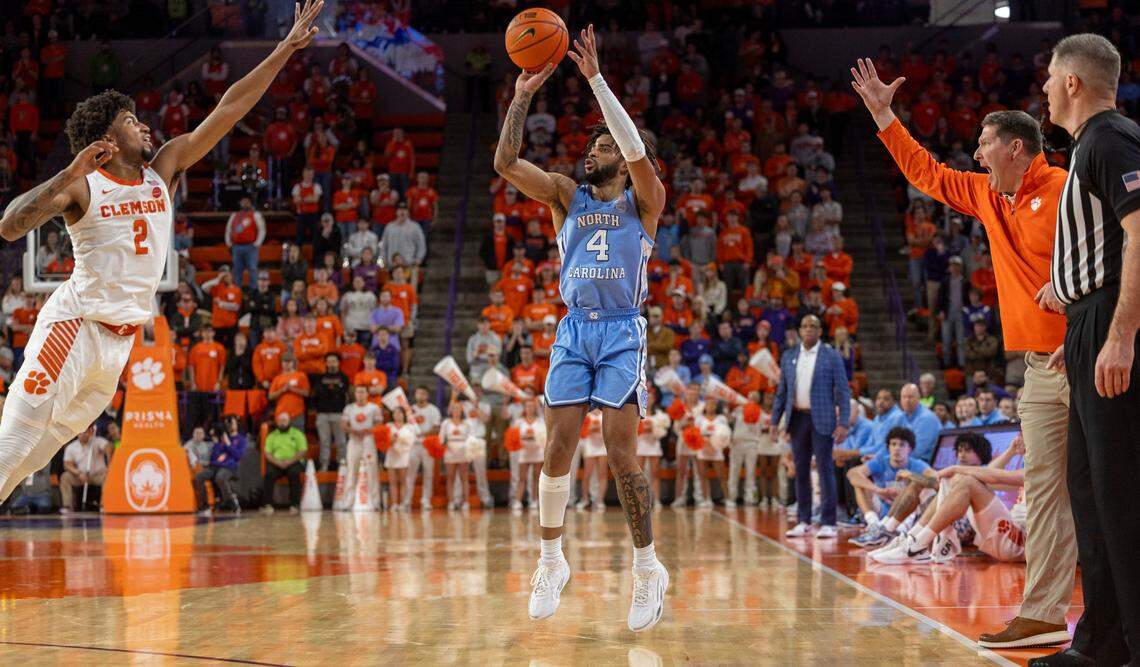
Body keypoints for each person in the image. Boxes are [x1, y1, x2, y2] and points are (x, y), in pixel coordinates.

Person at [0, 2, 324, 505]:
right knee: (11, 448)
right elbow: (10, 224)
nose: (145, 126)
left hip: (117, 347)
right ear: (108, 139)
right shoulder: (83, 187)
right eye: (132, 121)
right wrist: (66, 173)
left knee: (30, 460)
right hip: (75, 327)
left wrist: (283, 49)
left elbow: (230, 110)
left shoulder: (165, 166)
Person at [852, 55, 1075, 651]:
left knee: (1104, 486)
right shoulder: (989, 195)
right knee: (1049, 493)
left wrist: (1085, 330)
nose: (976, 155)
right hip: (1037, 366)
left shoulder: (1065, 193)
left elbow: (1106, 266)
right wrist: (883, 116)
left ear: (1019, 149)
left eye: (986, 144)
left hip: (1085, 355)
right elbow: (925, 173)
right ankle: (1046, 612)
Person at [494, 25, 669, 630]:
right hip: (574, 328)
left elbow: (637, 155)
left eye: (599, 148)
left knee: (622, 454)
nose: (587, 154)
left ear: (619, 157)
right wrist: (521, 95)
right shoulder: (568, 196)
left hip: (623, 329)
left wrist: (594, 78)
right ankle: (550, 558)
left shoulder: (645, 200)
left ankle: (647, 568)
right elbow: (505, 161)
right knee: (558, 447)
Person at [1033, 34, 1140, 665]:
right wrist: (1076, 333)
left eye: (1050, 76)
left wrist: (1119, 334)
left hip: (1108, 322)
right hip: (1086, 324)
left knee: (1120, 491)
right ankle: (1101, 640)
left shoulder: (1109, 139)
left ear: (1073, 81)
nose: (1044, 86)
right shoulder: (1090, 147)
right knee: (1093, 491)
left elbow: (1139, 236)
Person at [872, 432, 1025, 566]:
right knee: (934, 484)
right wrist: (1011, 451)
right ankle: (908, 538)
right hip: (1003, 531)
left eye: (968, 450)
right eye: (960, 450)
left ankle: (917, 543)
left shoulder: (1039, 471)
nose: (962, 455)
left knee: (959, 481)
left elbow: (994, 477)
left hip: (1013, 538)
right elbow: (991, 476)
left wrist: (954, 469)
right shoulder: (987, 473)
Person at [769, 315, 851, 539]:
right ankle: (804, 520)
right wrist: (774, 422)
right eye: (804, 326)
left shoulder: (831, 356)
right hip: (797, 418)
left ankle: (828, 522)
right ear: (799, 330)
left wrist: (844, 422)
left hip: (822, 419)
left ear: (820, 331)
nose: (808, 330)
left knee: (825, 470)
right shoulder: (789, 356)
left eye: (813, 326)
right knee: (801, 471)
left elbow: (843, 391)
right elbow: (782, 392)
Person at [846, 426, 934, 548]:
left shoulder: (917, 465)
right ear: (888, 447)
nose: (897, 448)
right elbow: (853, 474)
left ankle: (901, 531)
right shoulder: (881, 461)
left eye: (902, 445)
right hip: (881, 509)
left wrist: (909, 483)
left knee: (923, 486)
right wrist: (880, 491)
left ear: (909, 449)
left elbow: (936, 479)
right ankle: (873, 523)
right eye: (893, 444)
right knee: (859, 484)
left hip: (906, 513)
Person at [338, 385, 383, 511]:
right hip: (354, 440)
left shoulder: (374, 408)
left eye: (362, 392)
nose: (360, 394)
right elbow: (343, 425)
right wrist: (353, 431)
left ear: (367, 394)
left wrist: (368, 431)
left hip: (369, 440)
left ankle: (375, 502)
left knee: (372, 470)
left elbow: (379, 423)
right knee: (351, 470)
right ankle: (348, 502)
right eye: (358, 392)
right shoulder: (349, 408)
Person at [194, 415, 246, 514]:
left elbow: (238, 455)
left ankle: (232, 502)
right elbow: (214, 457)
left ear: (237, 424)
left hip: (229, 467)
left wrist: (228, 444)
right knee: (198, 477)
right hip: (215, 466)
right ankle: (205, 506)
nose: (229, 425)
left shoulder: (241, 439)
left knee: (220, 477)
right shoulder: (220, 437)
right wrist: (217, 443)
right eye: (227, 423)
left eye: (231, 422)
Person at [260, 411, 308, 514]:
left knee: (294, 473)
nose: (282, 423)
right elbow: (267, 453)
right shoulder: (272, 436)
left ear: (289, 421)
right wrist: (277, 462)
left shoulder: (297, 434)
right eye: (280, 421)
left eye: (284, 420)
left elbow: (303, 450)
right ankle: (267, 505)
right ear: (277, 422)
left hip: (293, 461)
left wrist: (289, 461)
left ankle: (295, 504)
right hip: (277, 462)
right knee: (269, 474)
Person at [403, 386, 441, 511]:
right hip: (413, 445)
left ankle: (426, 500)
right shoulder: (410, 410)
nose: (421, 396)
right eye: (419, 393)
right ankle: (407, 500)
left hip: (427, 446)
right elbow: (404, 426)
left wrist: (424, 433)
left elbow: (436, 428)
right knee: (410, 474)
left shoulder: (433, 410)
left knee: (428, 474)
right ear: (415, 395)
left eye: (424, 393)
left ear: (427, 396)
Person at [727, 393, 767, 508]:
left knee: (751, 472)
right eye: (751, 396)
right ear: (747, 398)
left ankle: (750, 497)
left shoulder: (761, 412)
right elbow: (730, 420)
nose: (753, 398)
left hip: (752, 443)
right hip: (737, 443)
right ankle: (731, 497)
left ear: (758, 399)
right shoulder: (739, 409)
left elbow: (764, 428)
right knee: (734, 470)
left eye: (755, 397)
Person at [59, 424, 109, 513]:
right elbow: (67, 465)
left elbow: (108, 447)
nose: (84, 434)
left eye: (86, 432)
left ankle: (103, 504)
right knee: (65, 477)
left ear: (90, 432)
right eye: (81, 432)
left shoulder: (96, 441)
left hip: (97, 475)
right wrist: (78, 473)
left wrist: (107, 451)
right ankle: (67, 505)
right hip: (80, 476)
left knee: (108, 477)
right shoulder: (71, 447)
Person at [313, 352, 349, 472]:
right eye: (329, 361)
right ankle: (324, 465)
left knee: (341, 442)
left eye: (334, 361)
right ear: (326, 363)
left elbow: (342, 393)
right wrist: (334, 391)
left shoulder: (344, 377)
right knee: (324, 442)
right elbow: (318, 393)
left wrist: (330, 391)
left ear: (338, 363)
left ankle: (342, 464)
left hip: (339, 413)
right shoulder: (320, 378)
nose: (331, 364)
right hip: (322, 414)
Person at [512, 397, 546, 511]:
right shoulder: (519, 421)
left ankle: (534, 500)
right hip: (524, 451)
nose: (530, 408)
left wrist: (533, 437)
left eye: (532, 406)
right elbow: (513, 438)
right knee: (522, 478)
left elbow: (543, 437)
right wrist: (523, 437)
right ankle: (518, 501)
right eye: (527, 406)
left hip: (537, 452)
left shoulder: (540, 421)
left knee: (536, 477)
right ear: (524, 408)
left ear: (535, 408)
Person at [440, 401, 472, 510]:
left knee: (464, 477)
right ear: (451, 410)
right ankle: (451, 502)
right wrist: (441, 446)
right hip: (450, 450)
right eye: (454, 408)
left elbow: (471, 438)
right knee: (450, 477)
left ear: (462, 410)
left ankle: (466, 502)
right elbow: (441, 438)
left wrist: (469, 450)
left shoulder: (467, 423)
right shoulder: (446, 423)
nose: (456, 411)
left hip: (463, 450)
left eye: (459, 408)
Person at [384, 407, 416, 511]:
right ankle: (394, 504)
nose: (397, 415)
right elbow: (383, 440)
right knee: (392, 481)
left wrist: (401, 440)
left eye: (400, 413)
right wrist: (391, 440)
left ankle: (403, 503)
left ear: (404, 415)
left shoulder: (409, 427)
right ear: (392, 415)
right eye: (395, 413)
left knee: (403, 481)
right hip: (391, 454)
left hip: (403, 455)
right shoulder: (388, 426)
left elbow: (411, 441)